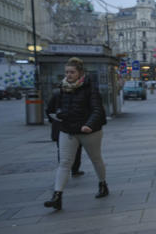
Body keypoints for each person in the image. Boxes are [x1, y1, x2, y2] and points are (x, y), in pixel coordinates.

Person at [43, 57, 108, 211]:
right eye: (66, 72)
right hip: (67, 130)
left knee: (96, 159)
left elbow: (98, 110)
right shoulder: (61, 89)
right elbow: (50, 109)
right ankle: (57, 196)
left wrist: (89, 125)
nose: (69, 75)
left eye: (72, 72)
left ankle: (103, 184)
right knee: (64, 163)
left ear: (80, 73)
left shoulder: (90, 88)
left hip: (89, 131)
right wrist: (58, 116)